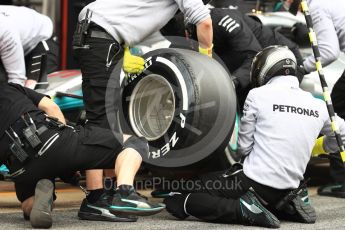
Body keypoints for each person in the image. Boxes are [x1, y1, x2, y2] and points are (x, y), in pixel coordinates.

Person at [163, 46, 345, 227]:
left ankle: (243, 210)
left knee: (177, 195)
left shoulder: (257, 95)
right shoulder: (318, 105)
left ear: (266, 68)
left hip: (253, 182)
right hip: (290, 185)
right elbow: (342, 134)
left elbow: (243, 148)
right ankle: (285, 205)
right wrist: (318, 148)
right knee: (261, 191)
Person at [73, 0, 213, 222]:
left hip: (99, 35)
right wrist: (208, 58)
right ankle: (96, 199)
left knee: (110, 120)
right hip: (101, 37)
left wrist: (124, 48)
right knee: (102, 123)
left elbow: (144, 28)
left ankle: (108, 194)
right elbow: (203, 22)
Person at [0, 82, 165, 228]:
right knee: (135, 142)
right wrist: (66, 156)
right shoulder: (9, 88)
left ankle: (38, 202)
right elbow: (51, 108)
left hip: (19, 165)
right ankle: (125, 193)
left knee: (28, 198)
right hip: (49, 140)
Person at [161, 7, 304, 108]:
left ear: (189, 30)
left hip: (281, 61)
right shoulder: (182, 34)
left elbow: (254, 57)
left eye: (187, 38)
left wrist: (230, 82)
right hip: (240, 60)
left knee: (255, 104)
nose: (187, 43)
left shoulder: (222, 19)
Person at [300, 0, 345, 198]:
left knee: (338, 108)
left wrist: (300, 68)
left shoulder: (317, 6)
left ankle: (342, 181)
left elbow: (328, 51)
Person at [0, 5, 59, 89]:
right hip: (16, 41)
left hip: (40, 40)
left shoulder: (5, 31)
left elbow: (17, 80)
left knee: (31, 89)